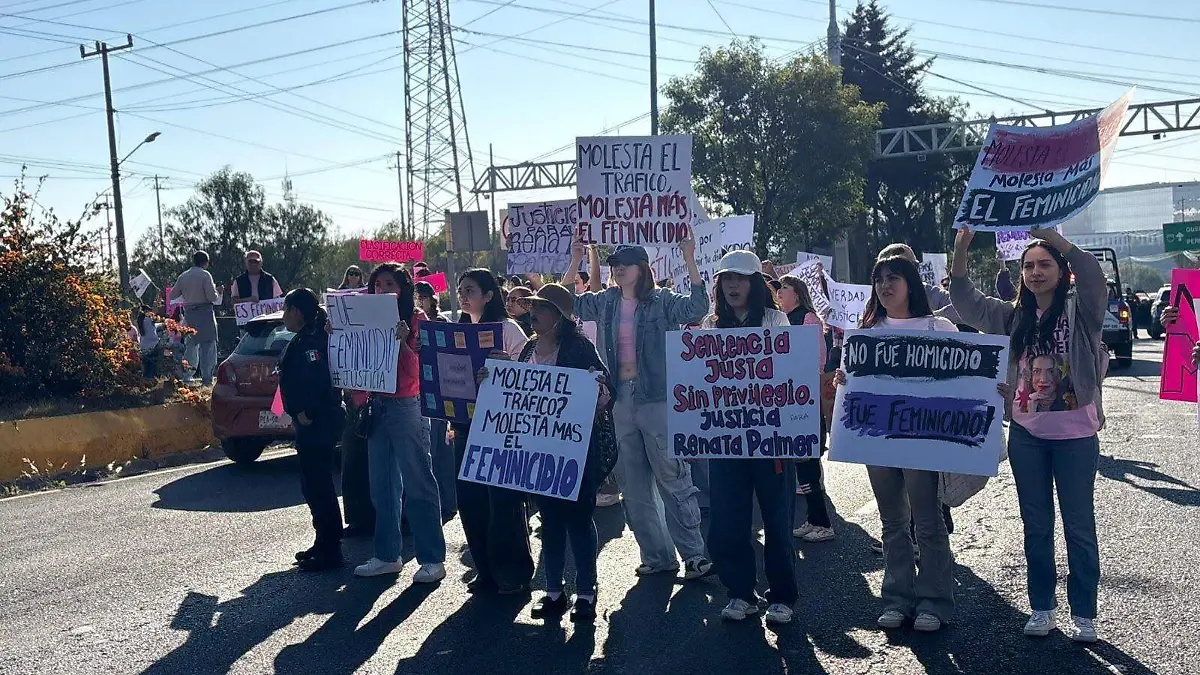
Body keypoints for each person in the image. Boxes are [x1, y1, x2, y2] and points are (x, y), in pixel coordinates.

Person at [950, 226, 1107, 643]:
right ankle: (1042, 608)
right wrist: (961, 249)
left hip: (1076, 436)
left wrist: (1059, 241)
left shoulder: (1083, 309)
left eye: (1045, 264)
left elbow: (1093, 275)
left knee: (1078, 525)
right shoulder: (1012, 315)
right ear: (1020, 273)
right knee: (1036, 525)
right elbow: (966, 301)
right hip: (1027, 434)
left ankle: (1085, 614)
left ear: (1062, 271)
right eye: (1029, 266)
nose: (1036, 272)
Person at [562, 239, 714, 581]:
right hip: (620, 401)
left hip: (657, 398)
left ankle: (693, 555)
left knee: (672, 477)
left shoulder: (662, 301)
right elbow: (564, 303)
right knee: (632, 484)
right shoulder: (607, 301)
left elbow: (697, 307)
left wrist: (689, 257)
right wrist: (575, 259)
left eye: (625, 264)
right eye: (614, 264)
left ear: (642, 268)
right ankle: (657, 556)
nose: (617, 269)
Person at [835, 254, 961, 633]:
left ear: (911, 285)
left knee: (927, 522)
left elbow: (962, 379)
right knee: (892, 522)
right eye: (879, 280)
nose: (885, 286)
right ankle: (896, 599)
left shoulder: (938, 328)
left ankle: (934, 603)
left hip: (921, 442)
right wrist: (846, 379)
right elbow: (856, 383)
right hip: (878, 442)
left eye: (894, 278)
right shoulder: (866, 332)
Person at [507, 283, 616, 623]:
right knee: (550, 522)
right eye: (533, 307)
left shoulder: (579, 347)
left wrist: (597, 388)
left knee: (579, 521)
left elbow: (606, 387)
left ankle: (585, 592)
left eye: (541, 308)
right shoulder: (526, 350)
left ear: (559, 316)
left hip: (575, 452)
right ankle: (553, 592)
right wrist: (495, 378)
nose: (534, 313)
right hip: (539, 452)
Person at [702, 250, 799, 625]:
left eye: (740, 279)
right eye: (727, 278)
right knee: (728, 520)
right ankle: (741, 593)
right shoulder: (710, 325)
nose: (732, 285)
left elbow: (786, 376)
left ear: (755, 284)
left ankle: (783, 596)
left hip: (771, 440)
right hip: (726, 442)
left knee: (777, 521)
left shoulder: (776, 321)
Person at [350, 263, 446, 584]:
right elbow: (358, 360)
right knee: (382, 486)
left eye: (389, 283)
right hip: (378, 404)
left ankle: (432, 558)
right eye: (376, 285)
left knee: (418, 482)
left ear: (402, 288)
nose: (381, 290)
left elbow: (422, 372)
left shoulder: (418, 320)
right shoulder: (365, 320)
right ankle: (387, 555)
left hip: (407, 404)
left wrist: (405, 342)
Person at [454, 269, 534, 595]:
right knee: (471, 502)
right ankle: (486, 570)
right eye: (460, 290)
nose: (462, 295)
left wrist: (506, 366)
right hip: (465, 427)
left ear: (489, 295)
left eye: (469, 289)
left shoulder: (508, 329)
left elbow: (532, 372)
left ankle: (513, 573)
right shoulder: (458, 332)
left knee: (503, 503)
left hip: (502, 429)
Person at [279, 288, 346, 572]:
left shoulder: (312, 342)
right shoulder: (307, 337)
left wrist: (306, 413)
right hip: (312, 422)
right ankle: (322, 542)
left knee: (319, 486)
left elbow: (319, 383)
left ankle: (331, 550)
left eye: (286, 310)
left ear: (296, 311)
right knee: (312, 485)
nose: (284, 316)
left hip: (318, 422)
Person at [776, 274, 833, 543]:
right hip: (789, 399)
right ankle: (813, 518)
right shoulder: (781, 320)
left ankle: (823, 523)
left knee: (809, 463)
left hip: (804, 400)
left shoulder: (808, 319)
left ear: (797, 294)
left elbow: (816, 360)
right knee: (801, 463)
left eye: (784, 289)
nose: (779, 294)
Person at [414, 280, 457, 521]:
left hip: (440, 391)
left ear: (432, 299)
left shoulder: (440, 323)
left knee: (441, 451)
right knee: (429, 449)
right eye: (416, 297)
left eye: (423, 297)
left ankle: (448, 502)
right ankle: (437, 501)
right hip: (421, 391)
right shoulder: (411, 324)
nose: (419, 301)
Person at [169, 251, 223, 387]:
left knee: (190, 347)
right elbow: (212, 297)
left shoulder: (184, 276)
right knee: (208, 347)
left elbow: (173, 294)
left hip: (189, 314)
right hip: (204, 313)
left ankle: (187, 377)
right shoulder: (205, 275)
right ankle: (207, 379)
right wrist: (218, 291)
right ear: (206, 262)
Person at [877, 243, 961, 324]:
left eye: (915, 265)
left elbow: (962, 309)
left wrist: (926, 318)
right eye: (879, 279)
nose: (885, 285)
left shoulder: (932, 294)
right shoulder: (874, 302)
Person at [133, 305, 160, 378]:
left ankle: (146, 378)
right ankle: (151, 378)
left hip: (143, 344)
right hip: (152, 344)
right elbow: (153, 332)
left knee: (146, 364)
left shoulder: (140, 320)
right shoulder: (149, 320)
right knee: (152, 364)